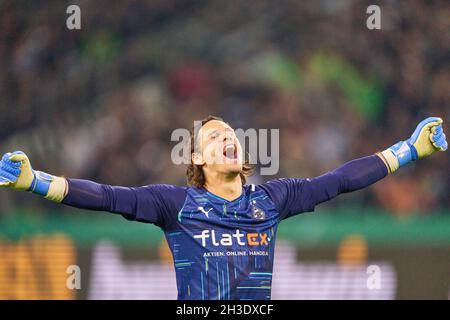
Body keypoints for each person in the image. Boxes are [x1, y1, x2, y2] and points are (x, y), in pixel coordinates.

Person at [0, 115, 447, 300]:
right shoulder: (175, 204)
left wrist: (408, 150)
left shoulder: (271, 200)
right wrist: (36, 181)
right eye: (214, 137)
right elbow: (109, 197)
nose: (227, 138)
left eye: (230, 133)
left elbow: (337, 182)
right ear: (197, 158)